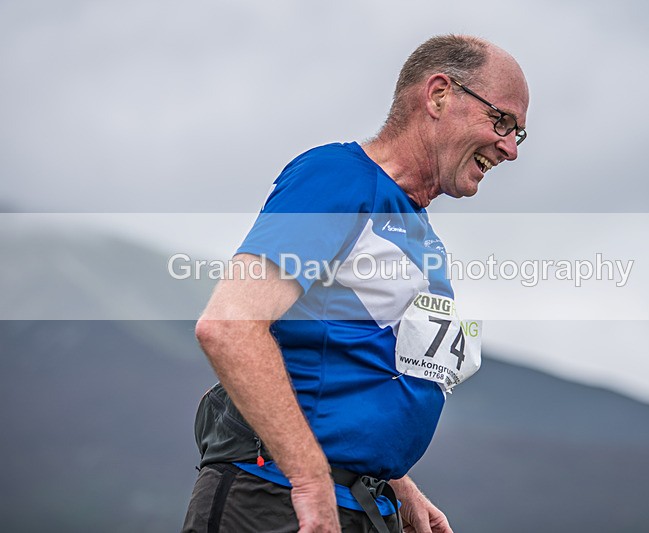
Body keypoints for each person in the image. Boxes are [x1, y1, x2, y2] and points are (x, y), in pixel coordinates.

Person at [182, 34, 529, 533]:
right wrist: (311, 482)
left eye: (520, 133)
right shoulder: (337, 177)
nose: (511, 149)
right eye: (502, 121)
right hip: (278, 500)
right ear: (437, 95)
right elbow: (229, 326)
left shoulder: (419, 229)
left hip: (361, 503)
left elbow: (359, 364)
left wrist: (393, 481)